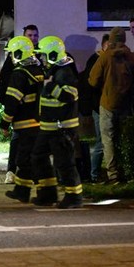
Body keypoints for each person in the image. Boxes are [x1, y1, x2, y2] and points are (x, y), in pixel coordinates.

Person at [32, 36, 83, 209]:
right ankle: (47, 193)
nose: (42, 59)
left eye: (44, 56)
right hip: (48, 126)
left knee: (64, 163)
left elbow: (70, 96)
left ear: (53, 55)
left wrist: (50, 87)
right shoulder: (55, 70)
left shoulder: (66, 72)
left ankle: (74, 196)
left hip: (62, 127)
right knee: (38, 157)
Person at [88, 28, 134, 185]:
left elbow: (93, 80)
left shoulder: (105, 57)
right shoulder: (133, 58)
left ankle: (113, 175)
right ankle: (129, 172)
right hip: (126, 104)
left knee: (108, 140)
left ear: (110, 40)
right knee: (125, 138)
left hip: (108, 103)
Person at [0, 36, 44, 203]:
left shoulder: (19, 74)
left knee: (25, 160)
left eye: (11, 53)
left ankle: (41, 192)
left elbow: (12, 102)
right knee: (31, 159)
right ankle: (23, 191)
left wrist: (4, 123)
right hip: (40, 123)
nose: (10, 56)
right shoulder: (39, 71)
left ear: (18, 53)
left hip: (26, 125)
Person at [0, 25, 39, 182]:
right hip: (19, 109)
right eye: (30, 35)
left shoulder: (40, 55)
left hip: (35, 111)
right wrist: (11, 103)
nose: (32, 39)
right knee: (17, 139)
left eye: (35, 36)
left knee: (33, 144)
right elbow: (5, 81)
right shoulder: (15, 56)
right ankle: (11, 171)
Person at [78, 33, 108, 183]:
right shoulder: (97, 60)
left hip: (99, 106)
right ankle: (94, 175)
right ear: (103, 45)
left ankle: (94, 174)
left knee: (100, 142)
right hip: (98, 107)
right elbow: (92, 85)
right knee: (100, 143)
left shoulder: (100, 59)